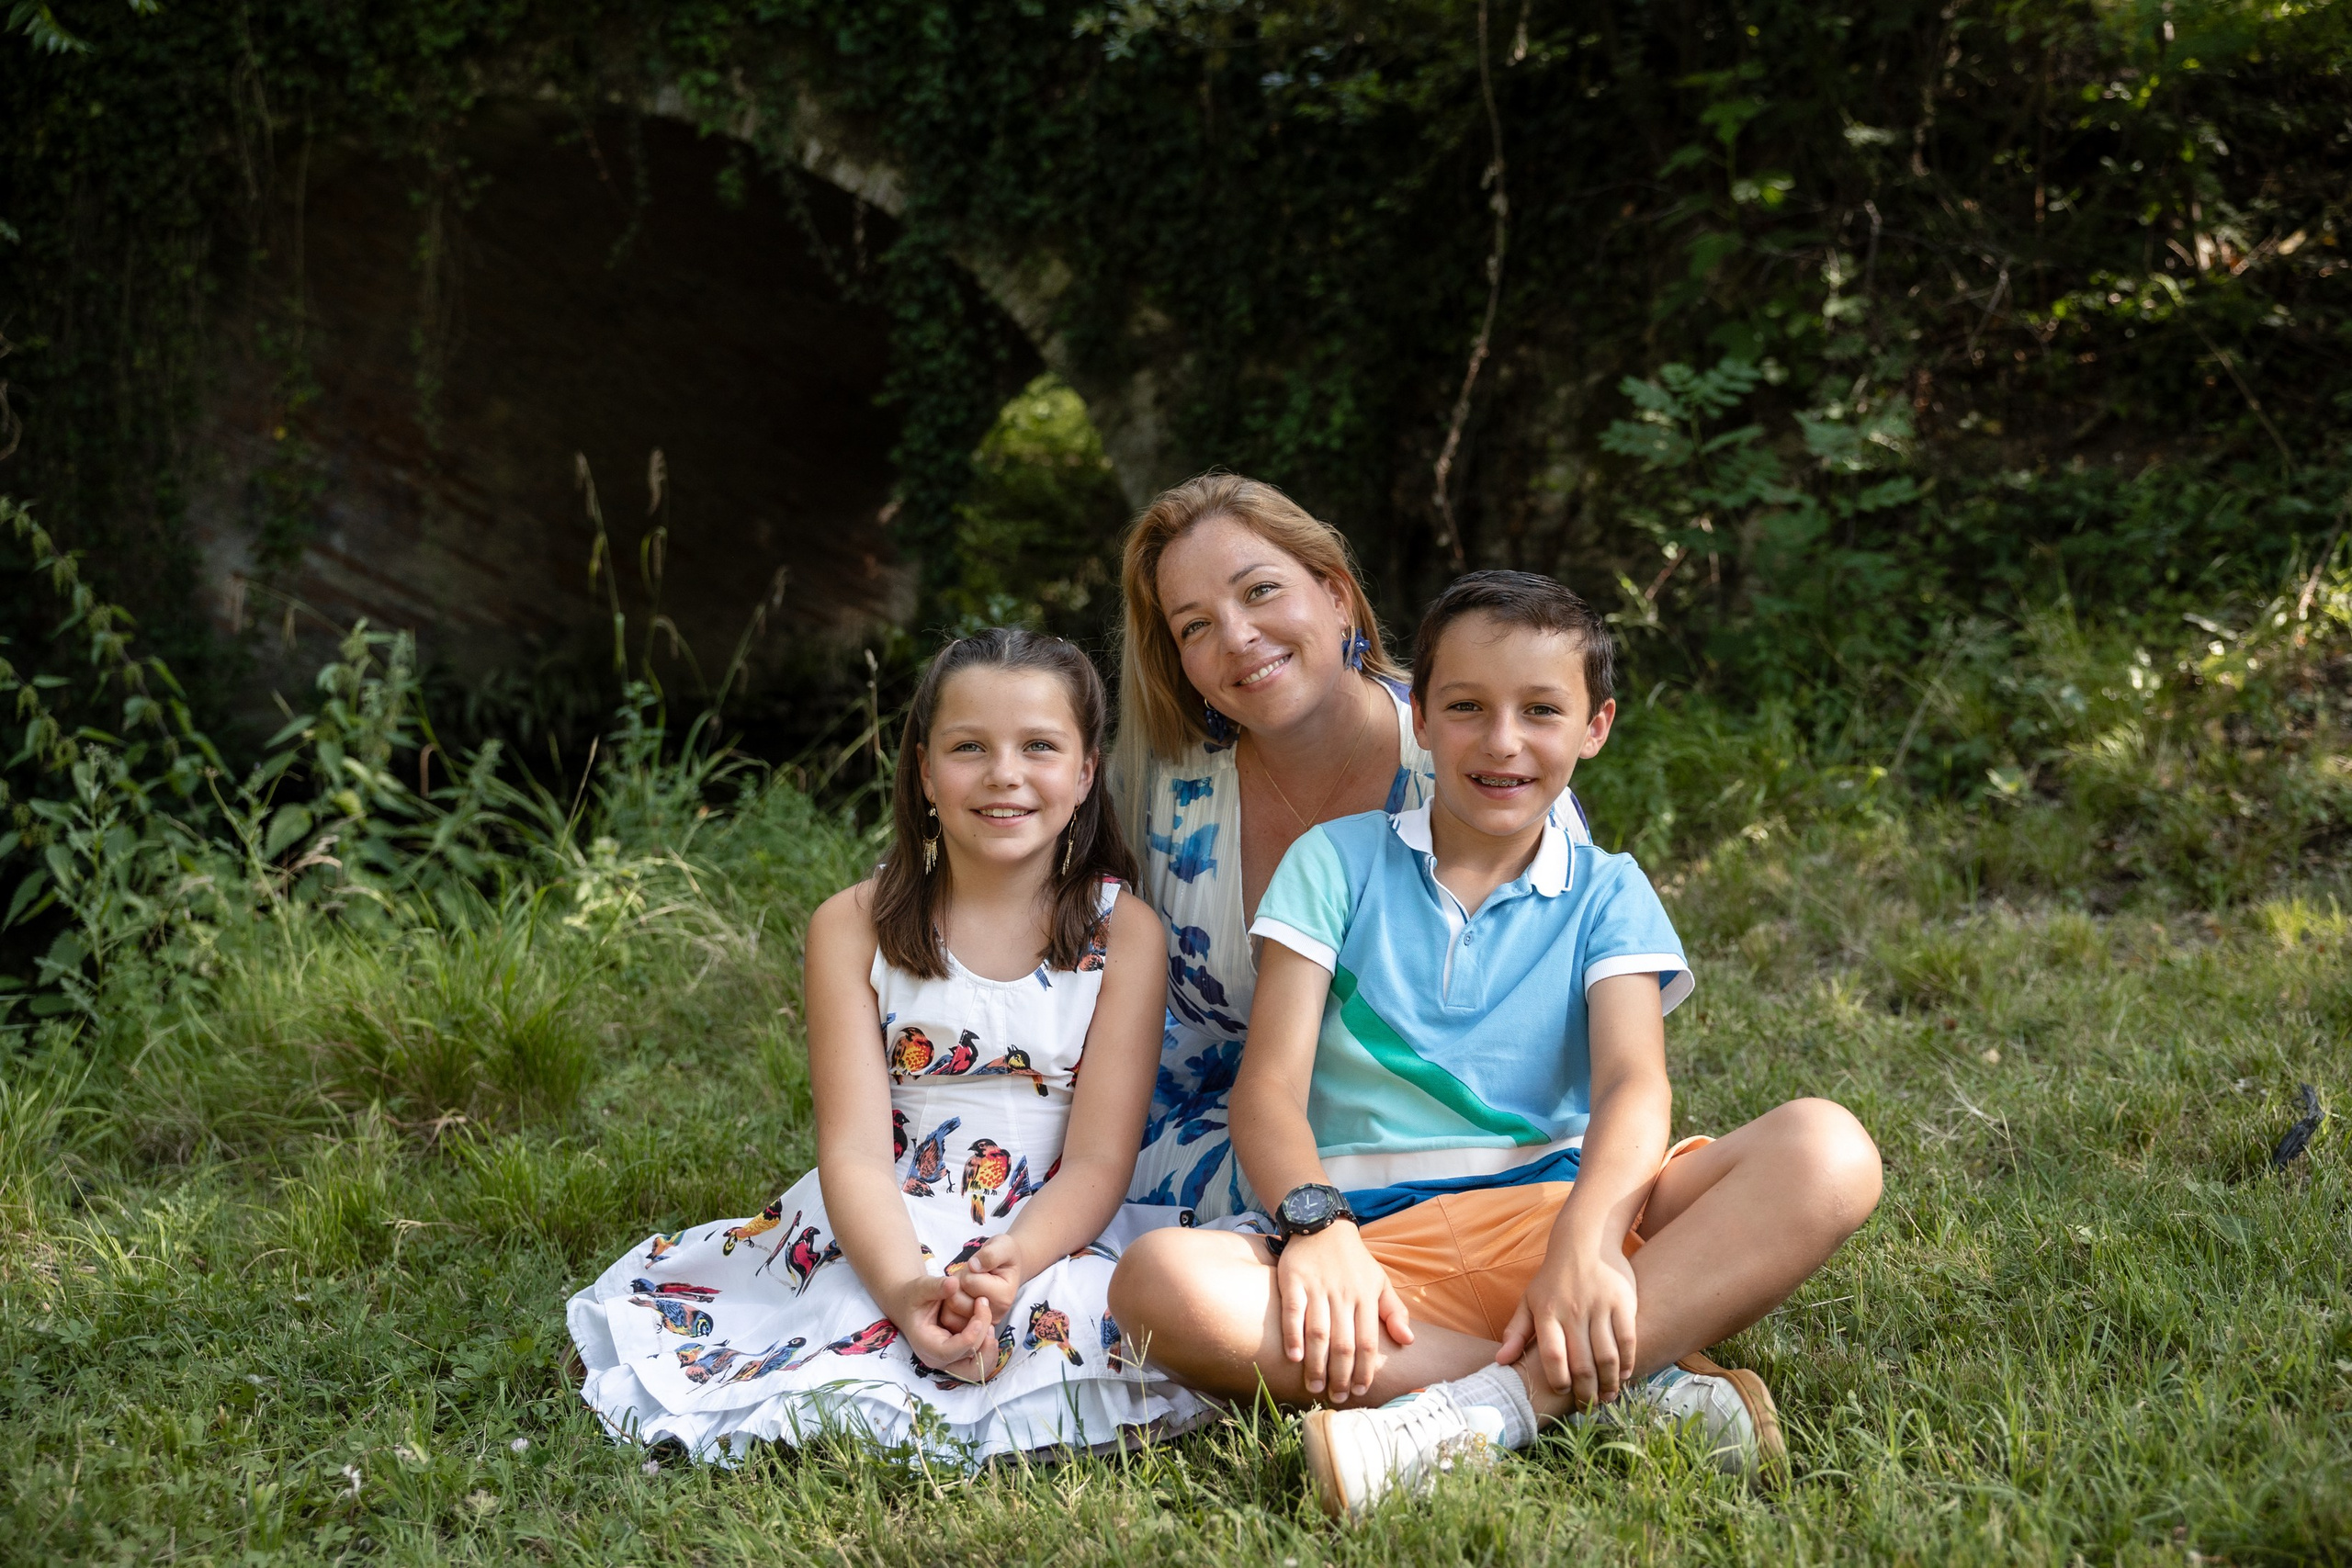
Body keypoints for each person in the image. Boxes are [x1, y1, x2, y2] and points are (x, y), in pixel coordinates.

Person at [1107, 571, 1884, 1517]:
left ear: (1595, 726)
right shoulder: (1335, 863)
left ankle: (1465, 1417)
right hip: (1380, 1264)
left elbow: (1635, 1085)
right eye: (1467, 708)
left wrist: (1591, 1243)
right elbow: (1267, 1091)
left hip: (1563, 1225)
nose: (1502, 741)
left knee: (1828, 1149)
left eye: (1540, 710)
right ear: (1419, 720)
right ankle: (1615, 1397)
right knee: (1158, 1284)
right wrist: (1317, 1228)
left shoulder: (1608, 889)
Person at [567, 628, 1224, 1467]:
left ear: (1087, 770)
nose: (1004, 774)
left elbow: (1098, 1159)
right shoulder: (851, 925)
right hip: (886, 1214)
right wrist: (908, 1285)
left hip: (1050, 1224)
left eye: (1039, 746)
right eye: (968, 747)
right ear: (923, 768)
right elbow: (853, 1152)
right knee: (847, 1317)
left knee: (1108, 1322)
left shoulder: (1124, 934)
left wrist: (1013, 1262)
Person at [1114, 474, 1593, 1221]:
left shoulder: (1483, 762)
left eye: (1261, 591)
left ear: (1337, 596)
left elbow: (1565, 1024)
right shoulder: (1160, 798)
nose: (1237, 635)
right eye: (1195, 626)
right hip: (1216, 1133)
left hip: (1454, 1144)